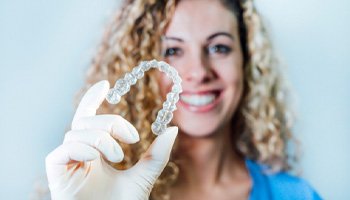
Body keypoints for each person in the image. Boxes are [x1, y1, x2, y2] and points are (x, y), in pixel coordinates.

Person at [45, 0, 322, 199]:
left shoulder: (297, 196)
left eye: (218, 47)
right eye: (174, 50)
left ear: (246, 61)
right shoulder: (104, 187)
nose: (199, 72)